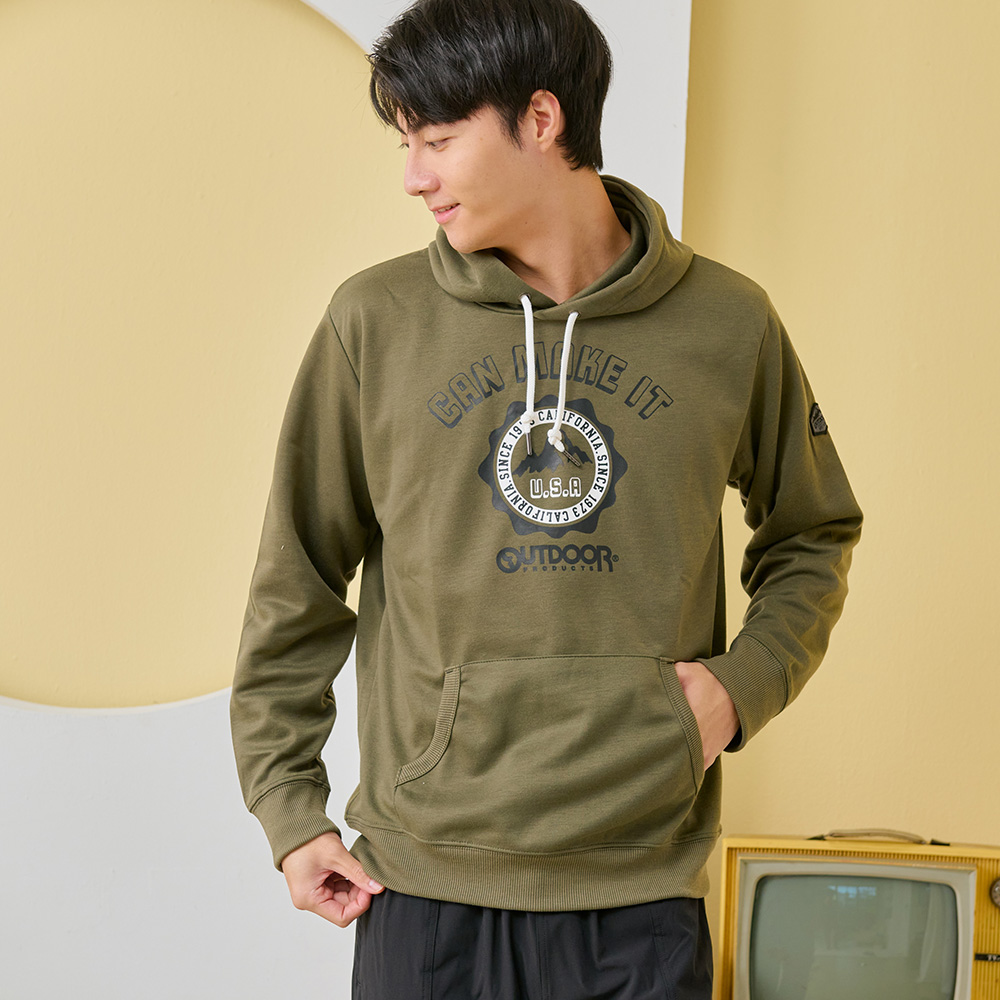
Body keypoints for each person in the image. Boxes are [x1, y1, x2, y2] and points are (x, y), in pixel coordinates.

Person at [230, 0, 863, 996]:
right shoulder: (375, 322)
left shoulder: (726, 323)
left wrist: (741, 688)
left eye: (438, 140)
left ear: (539, 119)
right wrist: (289, 809)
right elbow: (296, 579)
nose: (414, 176)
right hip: (424, 887)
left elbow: (813, 531)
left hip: (639, 891)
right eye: (406, 143)